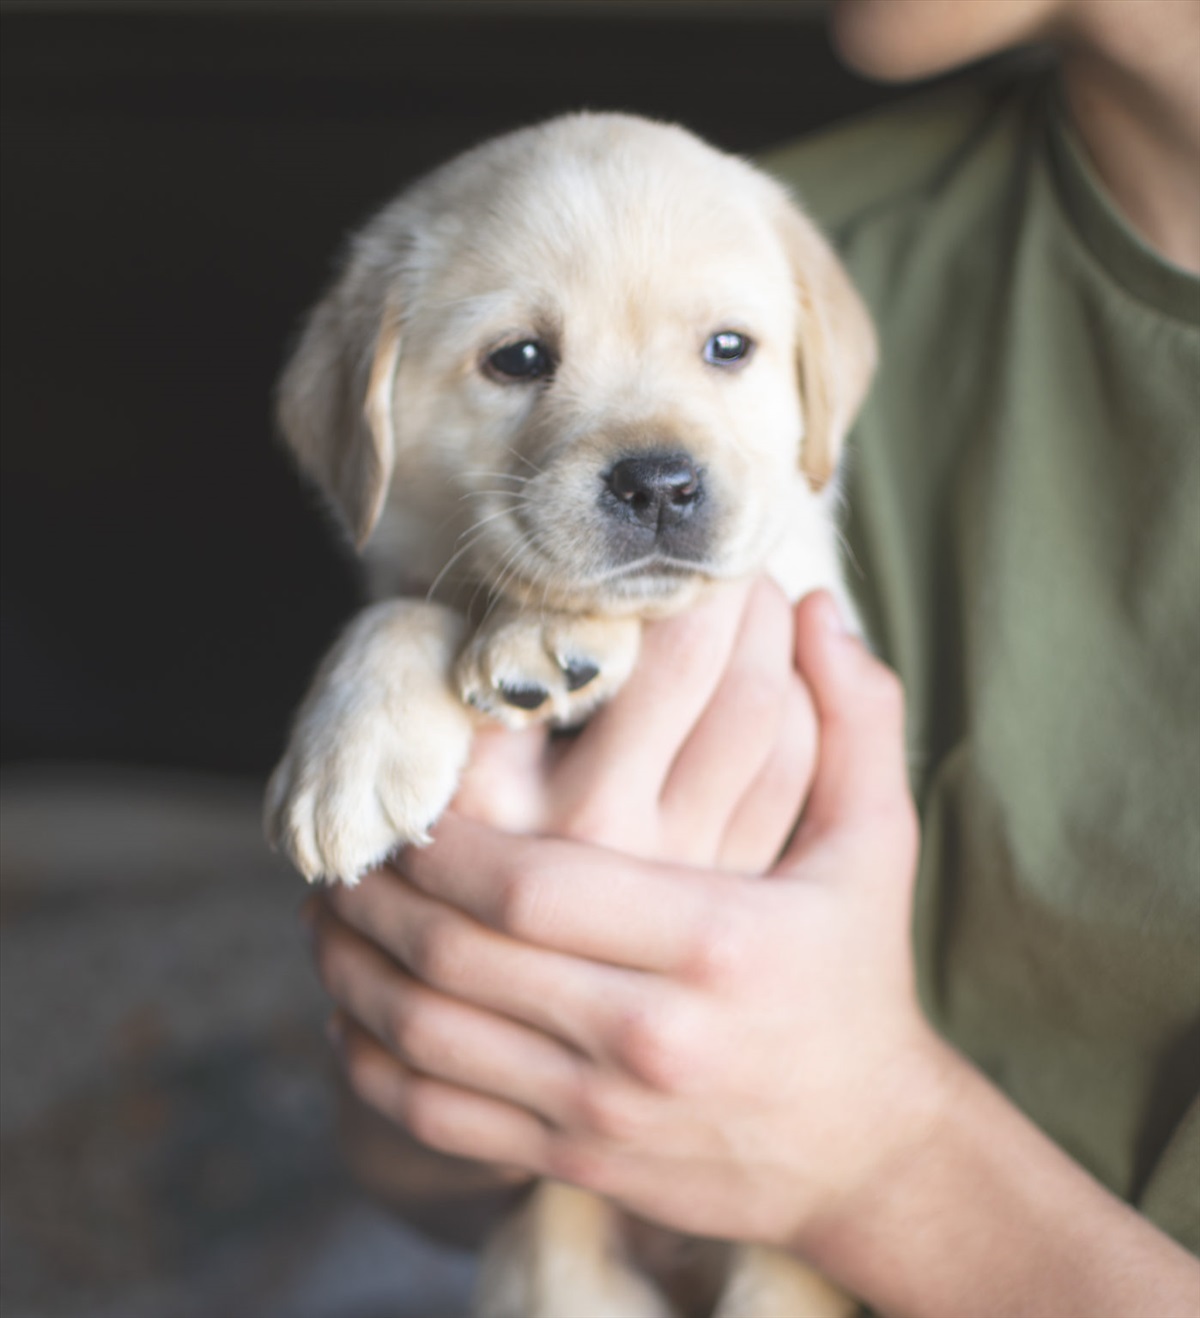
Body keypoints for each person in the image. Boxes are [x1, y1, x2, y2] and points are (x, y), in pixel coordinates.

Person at [305, 1, 1200, 1313]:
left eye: (726, 354)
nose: (660, 445)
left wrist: (876, 1163)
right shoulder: (740, 216)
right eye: (523, 359)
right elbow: (422, 1155)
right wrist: (445, 1022)